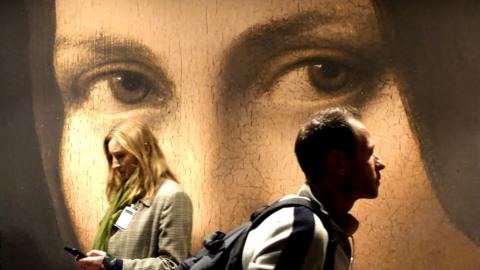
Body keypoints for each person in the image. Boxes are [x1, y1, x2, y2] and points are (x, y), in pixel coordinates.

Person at [28, 0, 480, 269]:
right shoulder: (300, 226)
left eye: (322, 74)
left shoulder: (303, 227)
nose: (208, 211)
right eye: (126, 84)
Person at [242, 107, 385, 270]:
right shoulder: (304, 228)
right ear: (339, 163)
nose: (380, 164)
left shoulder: (318, 227)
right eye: (370, 153)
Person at [76, 121, 193, 270]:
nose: (114, 165)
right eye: (111, 157)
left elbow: (173, 265)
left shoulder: (173, 196)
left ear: (144, 150)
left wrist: (116, 265)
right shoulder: (126, 198)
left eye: (120, 156)